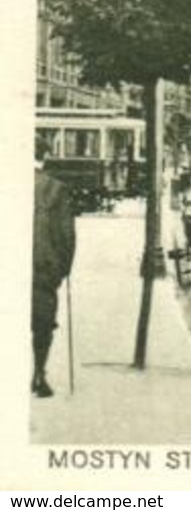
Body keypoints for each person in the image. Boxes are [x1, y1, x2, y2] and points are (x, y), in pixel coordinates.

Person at [32, 150, 77, 397]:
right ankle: (39, 373)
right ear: (44, 158)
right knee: (42, 325)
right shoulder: (55, 189)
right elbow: (66, 236)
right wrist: (62, 269)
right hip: (42, 269)